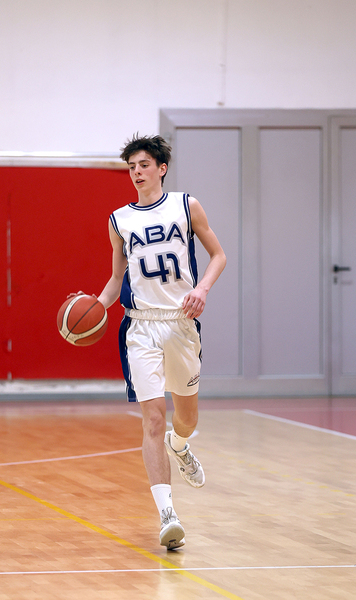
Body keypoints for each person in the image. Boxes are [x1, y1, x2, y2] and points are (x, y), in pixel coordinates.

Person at [88, 134, 226, 549]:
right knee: (151, 419)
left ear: (161, 168)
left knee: (186, 420)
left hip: (181, 323)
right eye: (131, 167)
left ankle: (179, 445)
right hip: (140, 328)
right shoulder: (118, 220)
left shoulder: (186, 206)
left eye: (144, 165)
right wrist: (94, 308)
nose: (136, 172)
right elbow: (117, 278)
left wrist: (202, 289)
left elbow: (218, 255)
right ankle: (168, 516)